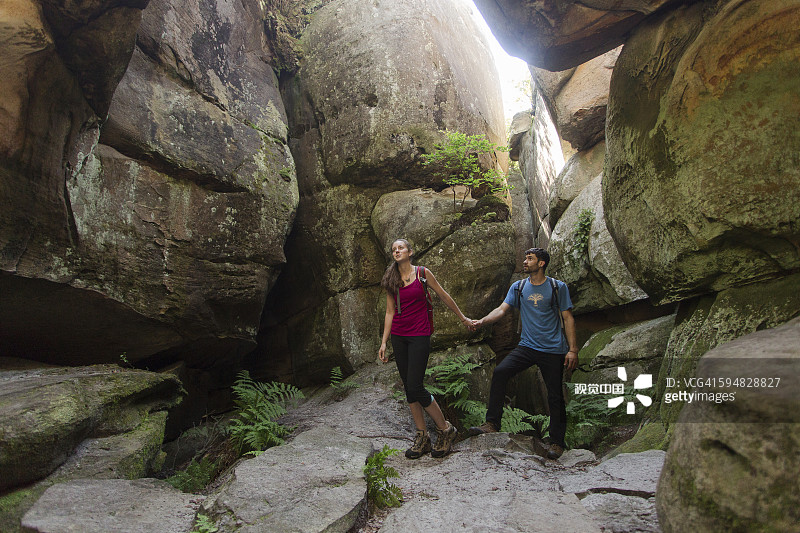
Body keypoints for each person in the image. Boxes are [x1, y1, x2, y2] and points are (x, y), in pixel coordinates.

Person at [468, 247, 578, 459]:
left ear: (541, 263)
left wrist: (572, 350)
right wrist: (482, 321)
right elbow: (501, 310)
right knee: (501, 372)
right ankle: (492, 423)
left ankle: (556, 443)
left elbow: (568, 318)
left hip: (553, 349)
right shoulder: (518, 287)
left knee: (554, 395)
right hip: (527, 346)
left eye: (530, 259)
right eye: (526, 258)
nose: (525, 262)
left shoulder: (557, 287)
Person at [378, 238, 472, 459]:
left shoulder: (422, 273)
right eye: (393, 249)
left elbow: (443, 295)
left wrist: (463, 318)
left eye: (400, 247)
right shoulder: (391, 279)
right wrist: (384, 342)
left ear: (410, 251)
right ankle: (422, 437)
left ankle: (445, 429)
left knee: (416, 385)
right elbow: (390, 312)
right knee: (409, 389)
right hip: (399, 337)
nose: (397, 251)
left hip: (419, 334)